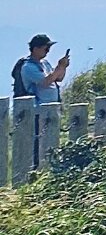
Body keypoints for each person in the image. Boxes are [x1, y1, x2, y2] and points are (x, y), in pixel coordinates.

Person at [11, 35, 68, 170]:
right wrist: (59, 67)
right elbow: (45, 81)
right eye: (45, 48)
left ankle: (48, 168)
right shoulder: (28, 67)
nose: (48, 51)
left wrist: (63, 68)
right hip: (37, 111)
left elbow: (58, 79)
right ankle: (36, 169)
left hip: (49, 109)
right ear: (35, 49)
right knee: (38, 143)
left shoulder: (45, 63)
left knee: (50, 141)